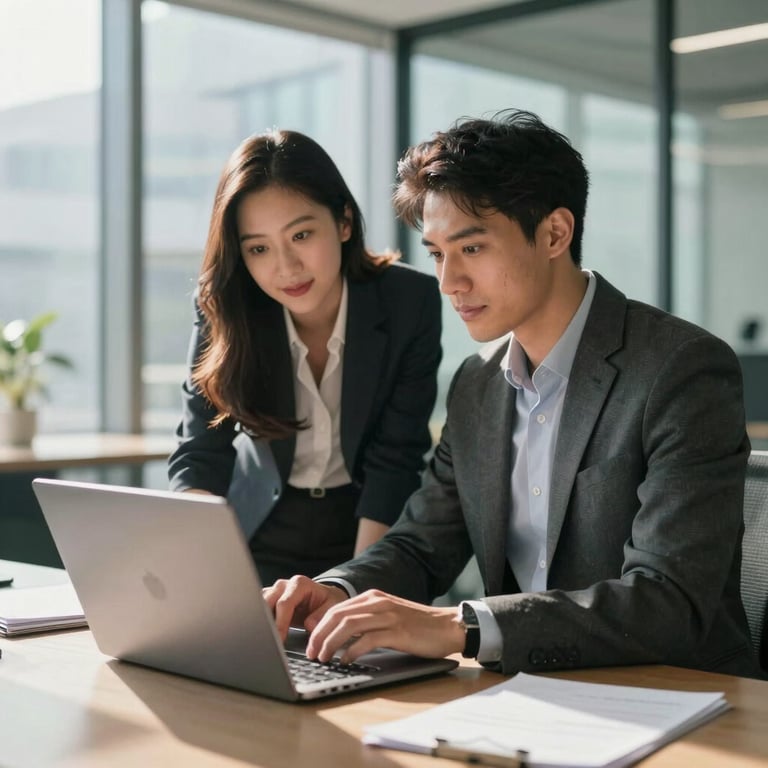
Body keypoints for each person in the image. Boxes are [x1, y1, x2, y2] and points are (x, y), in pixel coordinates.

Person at [265, 109, 760, 679]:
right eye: (435, 253)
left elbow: (668, 600)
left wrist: (463, 626)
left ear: (554, 233)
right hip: (527, 695)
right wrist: (335, 589)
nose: (449, 281)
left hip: (683, 697)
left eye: (471, 249)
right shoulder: (477, 384)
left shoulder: (681, 370)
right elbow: (423, 544)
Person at [168, 130, 442, 586]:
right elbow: (200, 452)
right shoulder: (225, 304)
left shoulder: (408, 301)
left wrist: (358, 589)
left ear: (344, 222)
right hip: (251, 537)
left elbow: (396, 458)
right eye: (258, 248)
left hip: (367, 531)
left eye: (301, 234)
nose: (285, 267)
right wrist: (204, 573)